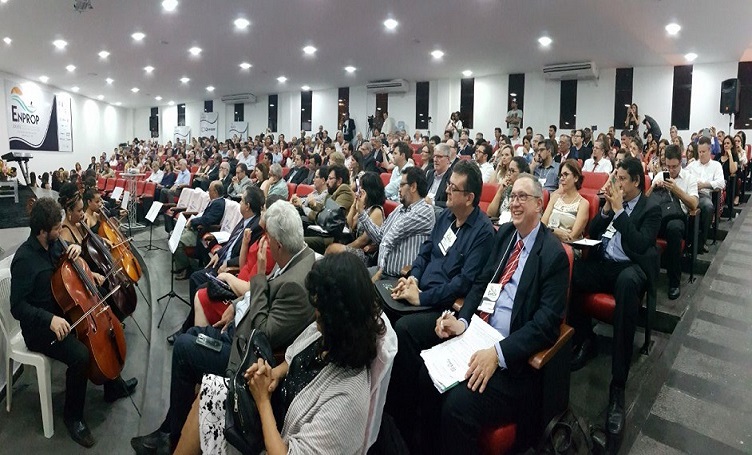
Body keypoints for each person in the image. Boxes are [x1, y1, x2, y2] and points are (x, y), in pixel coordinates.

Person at [387, 173, 568, 453]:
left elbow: (545, 325)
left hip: (512, 359)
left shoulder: (553, 255)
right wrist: (462, 321)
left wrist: (497, 353)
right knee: (426, 374)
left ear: (539, 205)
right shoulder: (506, 234)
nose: (515, 203)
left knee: (457, 404)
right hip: (477, 335)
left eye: (523, 197)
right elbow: (481, 283)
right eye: (512, 196)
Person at [131, 201, 317, 453]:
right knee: (193, 334)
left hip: (246, 358)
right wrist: (238, 304)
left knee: (185, 348)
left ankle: (171, 438)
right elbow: (264, 299)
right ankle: (172, 427)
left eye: (268, 238)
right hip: (239, 334)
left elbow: (263, 333)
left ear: (279, 245)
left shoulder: (296, 283)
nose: (265, 243)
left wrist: (258, 275)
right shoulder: (296, 255)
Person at [174, 253, 387, 455]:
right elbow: (292, 358)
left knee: (198, 371)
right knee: (210, 391)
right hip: (274, 412)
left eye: (320, 310)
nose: (315, 314)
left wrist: (263, 402)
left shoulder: (347, 400)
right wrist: (271, 374)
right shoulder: (325, 336)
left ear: (337, 319)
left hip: (278, 440)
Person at [10, 198, 137, 448]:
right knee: (80, 355)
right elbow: (17, 307)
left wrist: (76, 250)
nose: (61, 232)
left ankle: (112, 386)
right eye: (57, 228)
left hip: (67, 315)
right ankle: (73, 417)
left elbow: (68, 264)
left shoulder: (55, 244)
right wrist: (49, 319)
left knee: (105, 324)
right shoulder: (24, 260)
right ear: (42, 231)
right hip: (40, 329)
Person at [569, 157, 661, 440]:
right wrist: (607, 211)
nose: (616, 183)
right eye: (615, 177)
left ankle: (617, 385)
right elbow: (594, 232)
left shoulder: (651, 208)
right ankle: (586, 338)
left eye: (621, 179)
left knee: (627, 285)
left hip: (631, 267)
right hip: (605, 262)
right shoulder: (613, 202)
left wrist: (620, 211)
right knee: (569, 273)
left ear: (636, 182)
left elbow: (639, 244)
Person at [388, 161, 495, 310]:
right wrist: (414, 278)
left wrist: (422, 298)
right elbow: (426, 250)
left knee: (398, 320)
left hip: (440, 304)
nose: (446, 190)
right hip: (419, 290)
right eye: (448, 184)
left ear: (469, 198)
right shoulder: (446, 215)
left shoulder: (483, 233)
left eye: (453, 188)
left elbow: (463, 283)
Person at [646, 144, 698, 300]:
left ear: (681, 162)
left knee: (674, 228)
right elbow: (645, 201)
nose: (671, 170)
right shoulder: (660, 175)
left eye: (674, 166)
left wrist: (676, 189)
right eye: (668, 166)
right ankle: (643, 275)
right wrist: (654, 187)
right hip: (658, 217)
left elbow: (694, 204)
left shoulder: (689, 178)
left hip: (678, 218)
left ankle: (674, 282)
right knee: (642, 224)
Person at [326, 172, 385, 265]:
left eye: (361, 187)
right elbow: (350, 226)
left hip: (366, 254)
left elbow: (363, 241)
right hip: (357, 246)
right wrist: (354, 205)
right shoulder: (364, 207)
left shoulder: (376, 211)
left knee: (333, 249)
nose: (359, 190)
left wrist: (345, 248)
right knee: (332, 247)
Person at [173, 181, 227, 279]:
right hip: (198, 228)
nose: (208, 192)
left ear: (215, 192)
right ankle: (181, 266)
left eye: (210, 190)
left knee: (179, 242)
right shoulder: (214, 202)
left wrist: (193, 221)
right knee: (174, 235)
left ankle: (185, 269)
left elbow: (208, 220)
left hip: (202, 231)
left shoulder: (219, 203)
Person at [685, 136, 725, 253]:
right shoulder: (692, 165)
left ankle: (701, 242)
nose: (701, 154)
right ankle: (687, 240)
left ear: (709, 150)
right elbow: (683, 176)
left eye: (703, 152)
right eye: (699, 152)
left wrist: (705, 185)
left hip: (704, 194)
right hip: (690, 193)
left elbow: (721, 183)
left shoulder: (716, 165)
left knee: (708, 207)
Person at [542, 159, 591, 243]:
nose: (561, 179)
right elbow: (542, 226)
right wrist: (554, 232)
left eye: (566, 175)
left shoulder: (583, 204)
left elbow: (572, 237)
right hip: (546, 241)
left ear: (576, 178)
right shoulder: (555, 198)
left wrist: (549, 231)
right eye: (561, 175)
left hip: (567, 246)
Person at [426, 143, 453, 208]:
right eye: (434, 156)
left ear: (448, 159)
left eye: (439, 157)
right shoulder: (430, 173)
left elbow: (452, 203)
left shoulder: (452, 178)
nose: (435, 160)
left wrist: (432, 203)